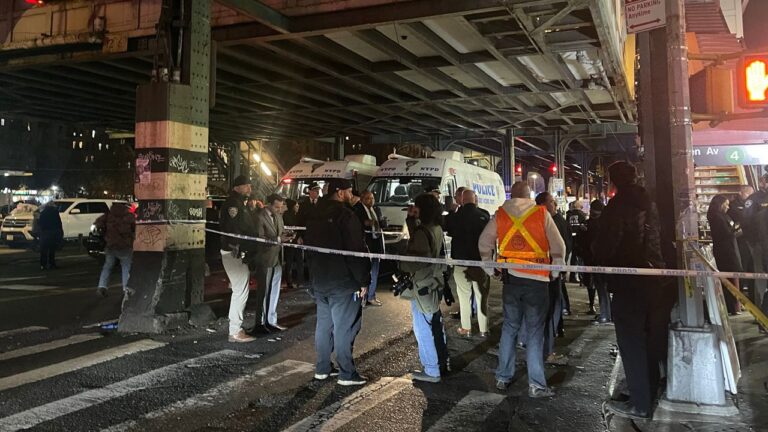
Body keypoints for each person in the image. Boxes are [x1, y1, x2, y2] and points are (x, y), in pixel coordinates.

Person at [593, 161, 672, 419]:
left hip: (629, 282)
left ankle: (640, 403)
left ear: (613, 181)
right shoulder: (649, 203)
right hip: (654, 278)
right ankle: (647, 391)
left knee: (631, 342)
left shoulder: (617, 207)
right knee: (649, 339)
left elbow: (606, 245)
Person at [479, 181, 565, 398]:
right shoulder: (541, 214)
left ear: (512, 195)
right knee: (535, 333)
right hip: (537, 282)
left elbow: (484, 242)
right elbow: (559, 246)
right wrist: (555, 270)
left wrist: (490, 269)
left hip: (511, 281)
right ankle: (536, 385)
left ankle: (502, 377)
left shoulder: (500, 215)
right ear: (529, 195)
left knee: (509, 328)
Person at [304, 178, 370, 386]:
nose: (352, 196)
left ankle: (323, 368)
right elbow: (355, 250)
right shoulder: (345, 215)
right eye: (350, 192)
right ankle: (346, 373)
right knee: (345, 327)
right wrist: (363, 280)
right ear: (340, 193)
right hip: (343, 281)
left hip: (320, 279)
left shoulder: (314, 214)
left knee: (324, 326)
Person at [398, 193, 450, 383]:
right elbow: (421, 237)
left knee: (423, 327)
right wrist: (411, 221)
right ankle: (442, 362)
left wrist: (400, 263)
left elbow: (417, 259)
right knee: (435, 323)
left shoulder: (424, 231)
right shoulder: (435, 228)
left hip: (423, 284)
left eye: (416, 206)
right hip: (434, 282)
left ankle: (431, 369)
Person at [445, 189, 490, 338]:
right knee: (481, 296)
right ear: (475, 199)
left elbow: (447, 228)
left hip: (460, 262)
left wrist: (451, 212)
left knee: (464, 296)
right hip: (479, 262)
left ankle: (466, 327)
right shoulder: (484, 215)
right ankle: (484, 329)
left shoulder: (457, 216)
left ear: (462, 200)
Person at [219, 175, 258, 343]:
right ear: (237, 187)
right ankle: (235, 330)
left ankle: (235, 328)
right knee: (240, 290)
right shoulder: (233, 204)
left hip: (236, 250)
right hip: (234, 251)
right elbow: (233, 227)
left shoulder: (239, 203)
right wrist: (236, 245)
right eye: (246, 186)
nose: (249, 188)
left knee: (240, 288)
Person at [534, 192, 568, 365]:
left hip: (535, 274)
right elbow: (561, 246)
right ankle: (547, 350)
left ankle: (534, 343)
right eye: (551, 202)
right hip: (548, 273)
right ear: (543, 204)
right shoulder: (549, 220)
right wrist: (559, 270)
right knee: (550, 310)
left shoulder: (534, 220)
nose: (554, 204)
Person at [251, 194, 287, 334]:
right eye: (276, 207)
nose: (279, 210)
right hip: (265, 258)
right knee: (263, 291)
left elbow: (281, 232)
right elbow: (259, 238)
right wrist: (278, 238)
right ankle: (260, 322)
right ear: (269, 204)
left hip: (277, 257)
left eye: (280, 207)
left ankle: (272, 320)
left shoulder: (278, 216)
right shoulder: (259, 217)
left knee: (275, 290)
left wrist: (287, 236)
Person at [707, 194, 743, 315]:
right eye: (726, 204)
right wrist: (736, 230)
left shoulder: (723, 216)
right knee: (729, 277)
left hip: (729, 249)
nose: (728, 207)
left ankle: (735, 304)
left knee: (732, 277)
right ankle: (732, 305)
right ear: (720, 204)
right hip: (725, 252)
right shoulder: (717, 217)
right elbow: (725, 234)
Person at [578, 200, 611, 324]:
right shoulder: (605, 223)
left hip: (596, 260)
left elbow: (588, 242)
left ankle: (605, 314)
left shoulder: (595, 225)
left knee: (602, 288)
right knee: (603, 288)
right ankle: (607, 313)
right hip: (598, 259)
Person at [95, 202, 136, 298]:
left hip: (110, 245)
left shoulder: (107, 216)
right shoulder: (129, 217)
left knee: (108, 266)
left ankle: (102, 286)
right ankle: (125, 288)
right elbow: (135, 228)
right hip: (125, 246)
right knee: (126, 266)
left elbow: (97, 225)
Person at [353, 191, 387, 307]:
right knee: (364, 272)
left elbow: (381, 223)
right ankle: (362, 297)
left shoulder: (376, 209)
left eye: (372, 198)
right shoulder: (357, 210)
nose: (371, 200)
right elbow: (355, 225)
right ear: (362, 199)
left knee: (375, 272)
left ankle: (371, 296)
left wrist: (383, 222)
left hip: (376, 244)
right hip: (365, 246)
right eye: (368, 198)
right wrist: (365, 223)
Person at [728, 186, 754, 303]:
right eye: (748, 193)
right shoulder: (733, 205)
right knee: (741, 267)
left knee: (752, 268)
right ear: (741, 192)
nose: (749, 196)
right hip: (740, 242)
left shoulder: (753, 204)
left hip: (751, 241)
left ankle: (752, 295)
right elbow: (740, 217)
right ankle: (741, 297)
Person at [282, 199, 302, 289]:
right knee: (289, 262)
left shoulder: (299, 215)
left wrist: (299, 237)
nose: (298, 208)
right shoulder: (286, 215)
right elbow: (288, 226)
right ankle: (289, 281)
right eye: (296, 206)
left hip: (298, 241)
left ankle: (299, 281)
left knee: (299, 261)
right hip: (289, 241)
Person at [37, 202, 63, 270]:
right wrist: (60, 231)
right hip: (53, 232)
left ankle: (43, 265)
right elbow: (59, 223)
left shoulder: (43, 213)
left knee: (44, 250)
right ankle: (52, 264)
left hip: (45, 232)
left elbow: (40, 223)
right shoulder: (55, 212)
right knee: (52, 249)